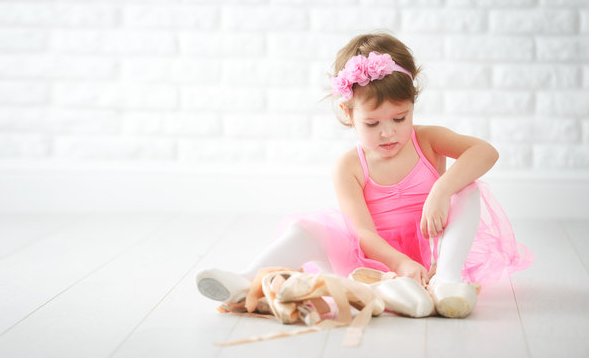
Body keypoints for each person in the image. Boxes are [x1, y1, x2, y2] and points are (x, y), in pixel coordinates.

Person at [196, 32, 533, 318]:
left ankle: (446, 281)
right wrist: (399, 264)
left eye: (400, 119)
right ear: (348, 112)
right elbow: (364, 234)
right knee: (308, 228)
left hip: (428, 253)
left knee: (468, 188)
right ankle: (246, 281)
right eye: (373, 123)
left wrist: (442, 190)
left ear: (412, 105)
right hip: (369, 259)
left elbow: (485, 151)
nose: (389, 133)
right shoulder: (349, 166)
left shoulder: (428, 140)